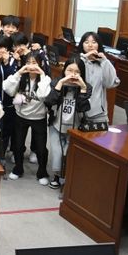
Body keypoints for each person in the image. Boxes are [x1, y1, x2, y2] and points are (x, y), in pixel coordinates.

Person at [45, 55, 92, 190]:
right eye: (70, 70)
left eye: (77, 72)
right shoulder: (56, 82)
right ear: (64, 70)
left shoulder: (86, 87)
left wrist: (82, 89)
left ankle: (66, 178)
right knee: (57, 153)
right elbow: (49, 102)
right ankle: (56, 176)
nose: (73, 74)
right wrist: (60, 85)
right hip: (56, 124)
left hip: (75, 126)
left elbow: (83, 108)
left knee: (68, 153)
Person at [3, 52, 51, 184]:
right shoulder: (21, 78)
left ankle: (42, 172)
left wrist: (42, 74)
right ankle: (18, 169)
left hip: (39, 118)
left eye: (34, 63)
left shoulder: (45, 79)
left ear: (40, 64)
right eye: (28, 62)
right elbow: (7, 88)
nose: (31, 66)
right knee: (18, 145)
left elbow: (43, 95)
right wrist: (19, 72)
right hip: (21, 116)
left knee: (41, 148)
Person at [77, 31, 120, 127]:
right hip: (77, 111)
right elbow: (73, 71)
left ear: (98, 45)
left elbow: (110, 83)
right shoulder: (78, 61)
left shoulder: (104, 63)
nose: (90, 45)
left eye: (94, 42)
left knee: (100, 136)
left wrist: (104, 61)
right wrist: (85, 57)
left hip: (97, 113)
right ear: (82, 45)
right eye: (86, 42)